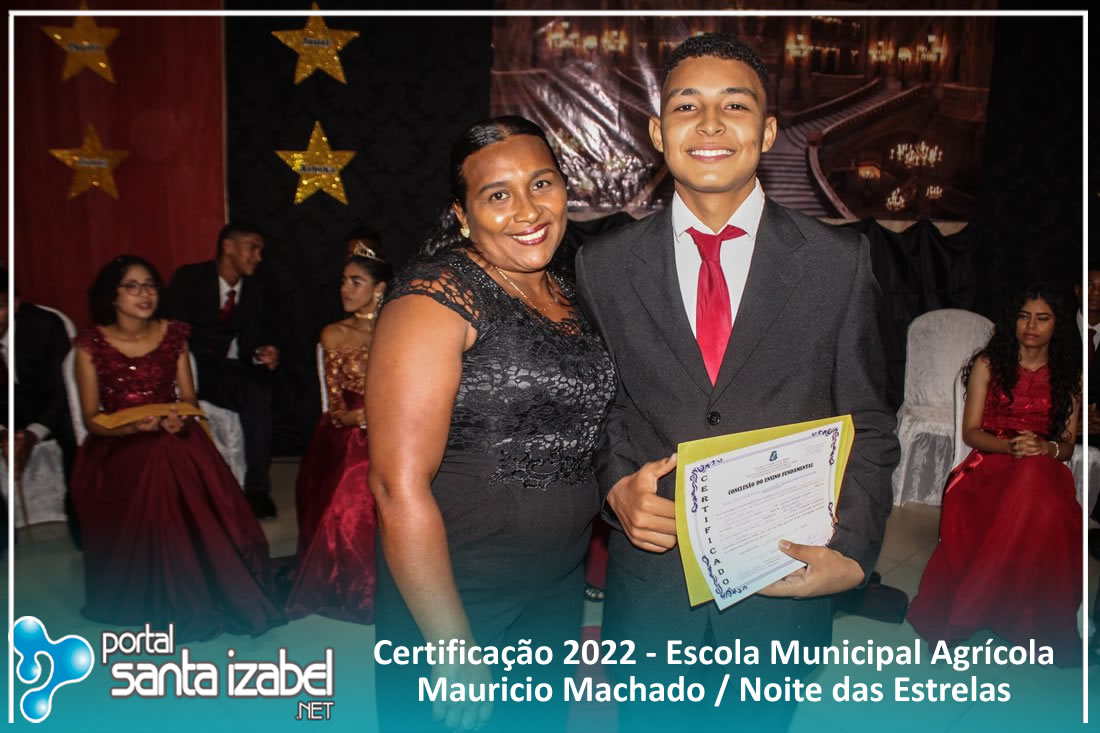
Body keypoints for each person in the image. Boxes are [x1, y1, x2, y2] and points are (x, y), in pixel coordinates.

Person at [574, 33, 898, 732]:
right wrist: (615, 485)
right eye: (687, 105)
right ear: (658, 131)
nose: (711, 125)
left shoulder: (838, 261)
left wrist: (852, 551)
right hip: (653, 590)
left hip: (779, 585)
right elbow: (601, 409)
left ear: (769, 131)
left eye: (735, 105)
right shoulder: (603, 265)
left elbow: (869, 422)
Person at [366, 116, 616, 732]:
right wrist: (451, 645)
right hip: (456, 594)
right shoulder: (433, 299)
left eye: (542, 184)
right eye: (497, 195)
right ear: (462, 214)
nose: (527, 211)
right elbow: (396, 486)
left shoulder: (571, 289)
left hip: (557, 584)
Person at [70, 255, 285, 642]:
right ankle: (174, 588)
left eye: (150, 285)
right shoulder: (90, 346)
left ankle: (192, 583)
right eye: (132, 286)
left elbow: (188, 398)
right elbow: (91, 418)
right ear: (112, 296)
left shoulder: (173, 336)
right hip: (115, 445)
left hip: (172, 432)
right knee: (158, 455)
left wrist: (178, 419)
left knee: (166, 451)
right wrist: (131, 428)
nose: (145, 294)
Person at [907, 284, 1082, 663]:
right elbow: (971, 433)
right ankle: (1030, 622)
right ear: (1012, 321)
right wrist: (1011, 447)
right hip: (990, 462)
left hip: (1044, 466)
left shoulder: (1068, 375)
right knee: (1038, 495)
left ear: (1058, 325)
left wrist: (1045, 449)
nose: (1031, 326)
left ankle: (970, 612)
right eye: (1024, 316)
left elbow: (1067, 445)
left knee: (1038, 483)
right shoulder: (989, 365)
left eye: (1042, 318)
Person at [286, 237, 392, 623]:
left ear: (379, 288)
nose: (344, 289)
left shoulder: (399, 328)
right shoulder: (334, 333)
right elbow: (336, 412)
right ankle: (357, 587)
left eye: (355, 281)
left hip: (396, 428)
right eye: (343, 281)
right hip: (348, 431)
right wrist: (369, 416)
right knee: (355, 476)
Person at [165, 223, 281, 518]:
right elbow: (171, 332)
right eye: (252, 248)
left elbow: (250, 342)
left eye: (261, 251)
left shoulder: (255, 289)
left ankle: (257, 489)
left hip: (223, 371)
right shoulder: (190, 279)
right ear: (228, 246)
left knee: (258, 394)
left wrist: (260, 353)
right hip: (185, 367)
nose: (258, 257)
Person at [0, 270, 78, 541]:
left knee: (74, 428)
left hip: (45, 409)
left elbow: (63, 389)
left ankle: (80, 520)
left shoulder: (45, 326)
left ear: (15, 304)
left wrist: (32, 434)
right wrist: (2, 434)